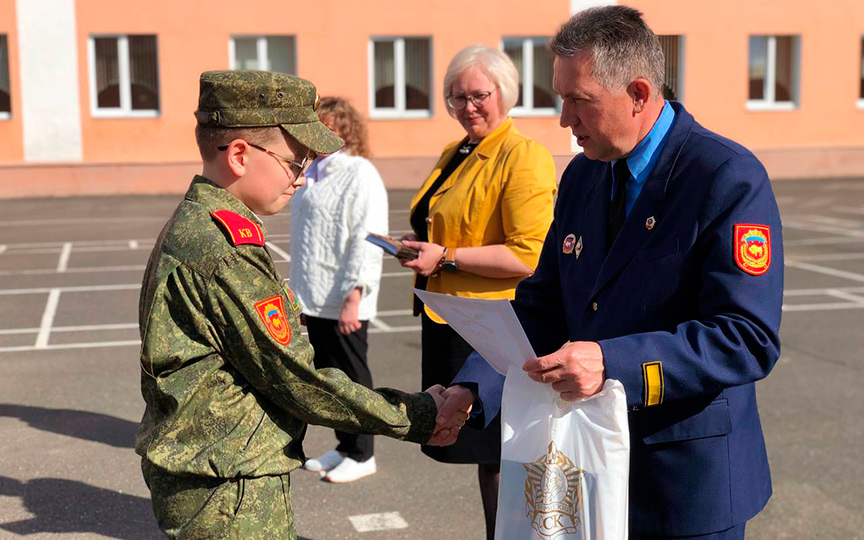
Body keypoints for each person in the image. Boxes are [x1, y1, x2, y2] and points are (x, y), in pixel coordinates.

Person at [438, 7, 784, 540]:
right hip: (588, 467)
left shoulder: (723, 177)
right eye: (561, 99)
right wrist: (473, 389)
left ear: (639, 94)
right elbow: (542, 305)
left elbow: (746, 338)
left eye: (579, 101)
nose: (564, 119)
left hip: (684, 483)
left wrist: (611, 361)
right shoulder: (583, 175)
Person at [136, 70, 465, 540]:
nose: (302, 178)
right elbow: (296, 378)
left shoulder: (198, 225)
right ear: (240, 156)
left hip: (215, 471)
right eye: (295, 162)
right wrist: (418, 415)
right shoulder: (223, 250)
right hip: (229, 486)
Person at [399, 45, 557, 540]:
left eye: (478, 95)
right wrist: (420, 249)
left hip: (490, 324)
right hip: (450, 316)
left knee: (497, 451)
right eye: (456, 97)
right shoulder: (457, 151)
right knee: (481, 452)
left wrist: (444, 256)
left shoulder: (522, 154)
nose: (468, 107)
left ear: (504, 93)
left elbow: (528, 255)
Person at [289, 97, 388, 483]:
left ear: (344, 130)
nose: (317, 134)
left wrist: (355, 295)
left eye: (326, 126)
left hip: (345, 297)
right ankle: (344, 446)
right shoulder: (314, 172)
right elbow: (307, 239)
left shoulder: (358, 173)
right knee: (328, 377)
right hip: (314, 295)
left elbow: (367, 238)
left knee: (352, 378)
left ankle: (364, 454)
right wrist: (298, 293)